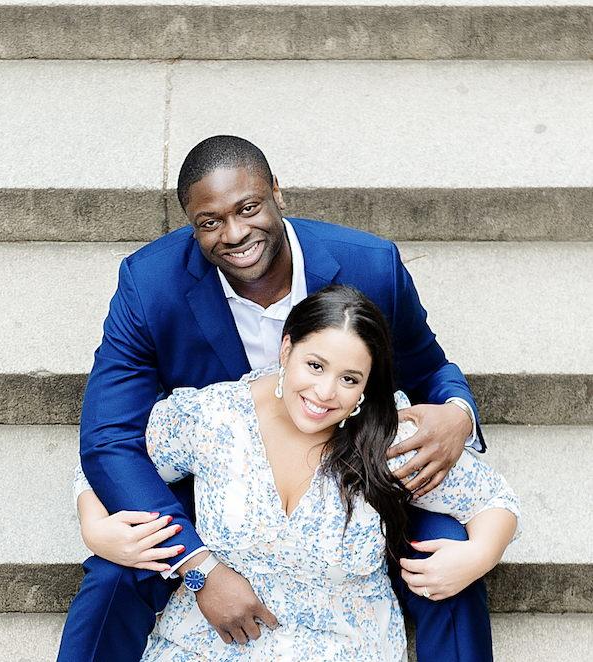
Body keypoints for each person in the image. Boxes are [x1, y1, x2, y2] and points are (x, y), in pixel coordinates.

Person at [58, 135, 493, 661]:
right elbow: (110, 435)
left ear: (277, 195)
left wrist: (457, 415)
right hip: (223, 478)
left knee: (444, 558)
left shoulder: (371, 265)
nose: (235, 234)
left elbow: (429, 368)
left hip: (355, 475)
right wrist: (194, 563)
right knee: (115, 571)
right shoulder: (150, 285)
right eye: (210, 221)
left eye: (248, 208)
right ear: (191, 224)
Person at [73, 286, 520, 661]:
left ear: (367, 384)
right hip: (210, 644)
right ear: (287, 348)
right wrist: (96, 527)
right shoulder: (215, 417)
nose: (325, 393)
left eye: (350, 379)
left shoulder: (388, 435)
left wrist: (478, 554)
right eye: (315, 365)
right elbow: (109, 457)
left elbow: (493, 500)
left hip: (342, 647)